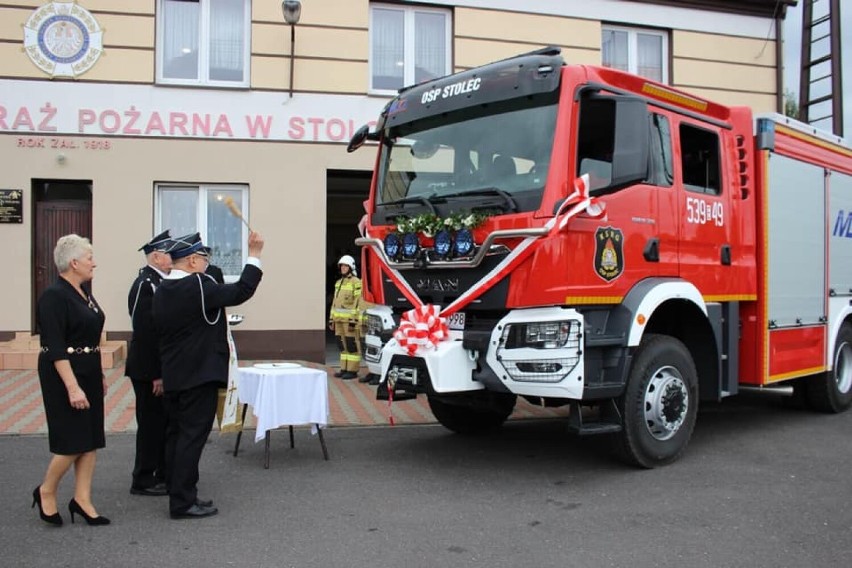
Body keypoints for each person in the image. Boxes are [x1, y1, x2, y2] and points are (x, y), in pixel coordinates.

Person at [153, 231, 264, 520]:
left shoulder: (162, 288)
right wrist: (254, 254)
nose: (206, 263)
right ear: (191, 260)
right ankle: (183, 502)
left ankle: (179, 493)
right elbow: (241, 291)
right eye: (204, 258)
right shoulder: (199, 286)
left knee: (176, 436)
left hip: (174, 372)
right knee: (191, 438)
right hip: (198, 375)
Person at [33, 234, 110, 526]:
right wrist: (72, 386)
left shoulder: (83, 293)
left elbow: (88, 337)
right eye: (89, 258)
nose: (94, 263)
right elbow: (54, 345)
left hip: (88, 369)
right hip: (63, 373)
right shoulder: (54, 296)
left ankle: (82, 499)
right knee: (73, 441)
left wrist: (98, 372)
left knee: (90, 439)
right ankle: (46, 490)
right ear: (73, 262)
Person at [125, 230, 173, 497]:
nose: (171, 258)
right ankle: (142, 479)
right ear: (155, 256)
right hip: (147, 369)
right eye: (168, 253)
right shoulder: (147, 284)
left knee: (161, 422)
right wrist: (157, 374)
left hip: (156, 366)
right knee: (151, 424)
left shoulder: (159, 280)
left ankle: (158, 472)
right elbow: (145, 333)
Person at [328, 255, 363, 380]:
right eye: (341, 266)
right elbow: (334, 302)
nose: (343, 268)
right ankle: (344, 368)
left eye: (345, 266)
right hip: (338, 321)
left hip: (350, 322)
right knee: (342, 345)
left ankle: (352, 370)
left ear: (351, 267)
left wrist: (354, 320)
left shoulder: (357, 282)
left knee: (351, 345)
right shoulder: (338, 283)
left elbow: (358, 303)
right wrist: (331, 319)